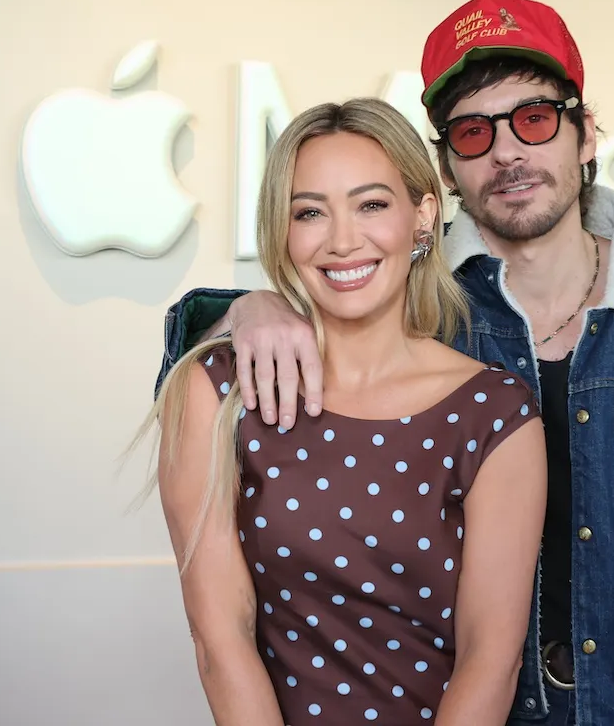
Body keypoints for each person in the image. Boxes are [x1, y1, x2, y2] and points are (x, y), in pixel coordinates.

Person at [154, 0, 614, 724]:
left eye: (533, 119)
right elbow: (310, 299)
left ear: (585, 133)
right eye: (472, 133)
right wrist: (248, 308)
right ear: (444, 172)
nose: (507, 154)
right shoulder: (416, 305)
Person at [134, 96, 548, 725]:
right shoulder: (216, 391)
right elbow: (221, 638)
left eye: (372, 204)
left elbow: (492, 658)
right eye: (310, 212)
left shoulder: (495, 413)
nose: (343, 240)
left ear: (423, 216)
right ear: (283, 229)